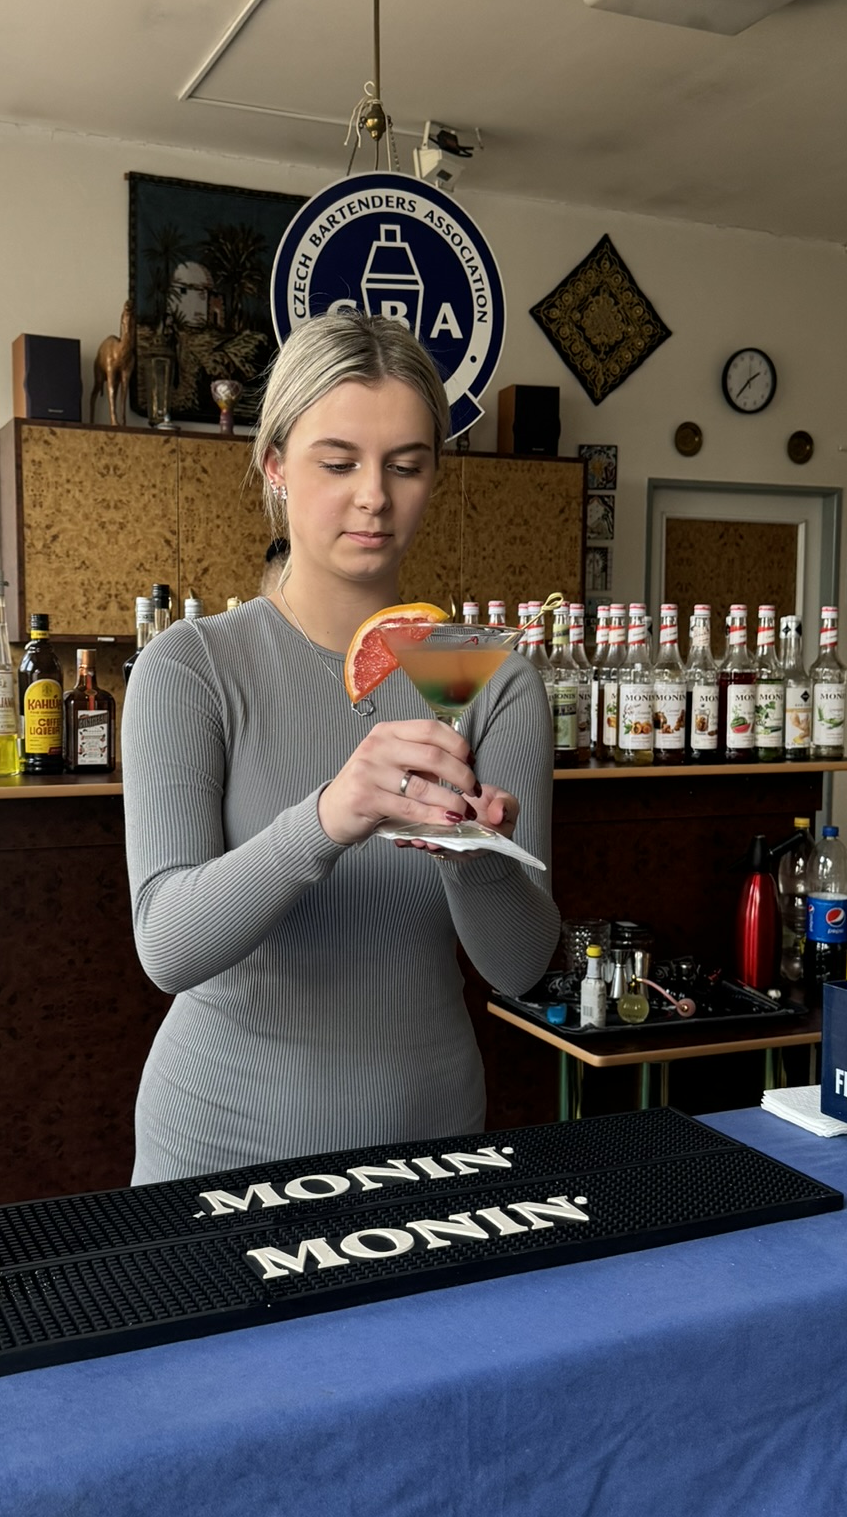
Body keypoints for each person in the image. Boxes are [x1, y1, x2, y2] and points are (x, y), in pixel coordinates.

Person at [123, 312, 560, 1182]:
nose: (374, 496)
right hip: (215, 1153)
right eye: (338, 462)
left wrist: (477, 855)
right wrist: (327, 817)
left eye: (407, 465)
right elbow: (168, 946)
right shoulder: (192, 667)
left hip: (428, 1149)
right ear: (275, 466)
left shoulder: (486, 677)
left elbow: (520, 970)